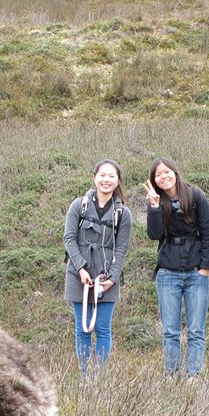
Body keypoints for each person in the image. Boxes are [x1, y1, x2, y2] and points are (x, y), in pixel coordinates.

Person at [143, 157, 209, 378]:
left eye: (167, 172)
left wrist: (206, 268)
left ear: (175, 172)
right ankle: (171, 375)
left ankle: (193, 375)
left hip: (196, 271)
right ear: (154, 180)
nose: (163, 176)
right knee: (170, 331)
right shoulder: (156, 201)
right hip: (168, 272)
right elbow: (154, 234)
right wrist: (154, 207)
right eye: (158, 174)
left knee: (196, 331)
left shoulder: (195, 195)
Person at [63, 160, 132, 374]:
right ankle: (85, 375)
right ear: (94, 177)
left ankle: (99, 377)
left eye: (111, 176)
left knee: (102, 329)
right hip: (78, 275)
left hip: (106, 279)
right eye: (102, 175)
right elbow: (69, 238)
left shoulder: (123, 213)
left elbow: (121, 248)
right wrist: (81, 268)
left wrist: (112, 278)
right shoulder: (79, 205)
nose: (106, 180)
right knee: (82, 329)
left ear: (117, 180)